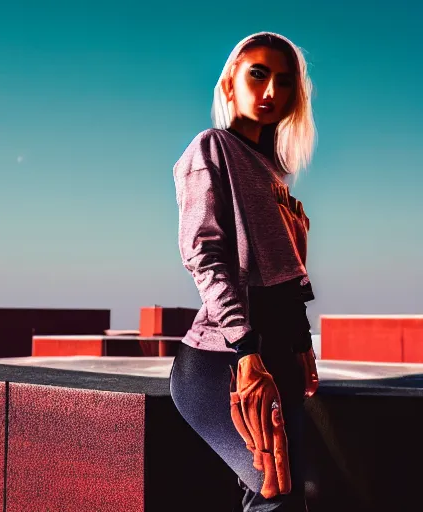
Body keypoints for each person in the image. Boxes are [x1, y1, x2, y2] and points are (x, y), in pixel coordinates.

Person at [169, 31, 319, 512]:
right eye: (258, 74)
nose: (272, 90)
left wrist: (302, 345)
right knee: (272, 492)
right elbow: (203, 251)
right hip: (227, 358)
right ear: (229, 82)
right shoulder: (211, 149)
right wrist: (245, 350)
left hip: (279, 354)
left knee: (285, 496)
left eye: (285, 81)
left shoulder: (274, 172)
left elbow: (288, 274)